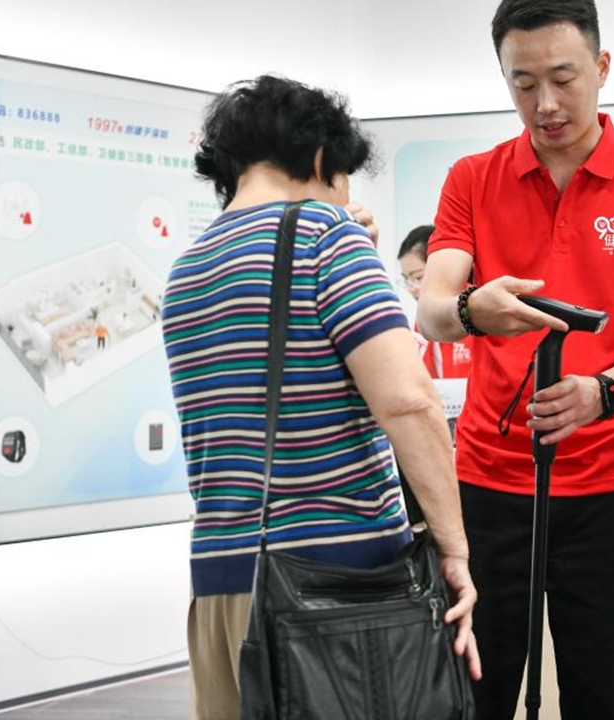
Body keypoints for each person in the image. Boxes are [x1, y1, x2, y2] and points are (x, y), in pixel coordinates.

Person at [417, 1, 614, 717]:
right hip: (488, 486)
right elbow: (431, 306)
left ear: (602, 69)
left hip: (613, 487)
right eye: (522, 84)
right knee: (472, 695)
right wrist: (469, 310)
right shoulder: (473, 179)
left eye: (563, 78)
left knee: (603, 698)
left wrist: (603, 392)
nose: (544, 104)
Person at [161, 75, 480, 720]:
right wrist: (455, 550)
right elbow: (410, 404)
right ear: (317, 160)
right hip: (337, 591)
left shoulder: (186, 269)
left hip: (222, 585)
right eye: (344, 178)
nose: (348, 197)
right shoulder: (324, 236)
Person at [398, 224, 474, 378]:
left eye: (418, 277)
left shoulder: (474, 307)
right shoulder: (422, 319)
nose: (411, 288)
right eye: (407, 279)